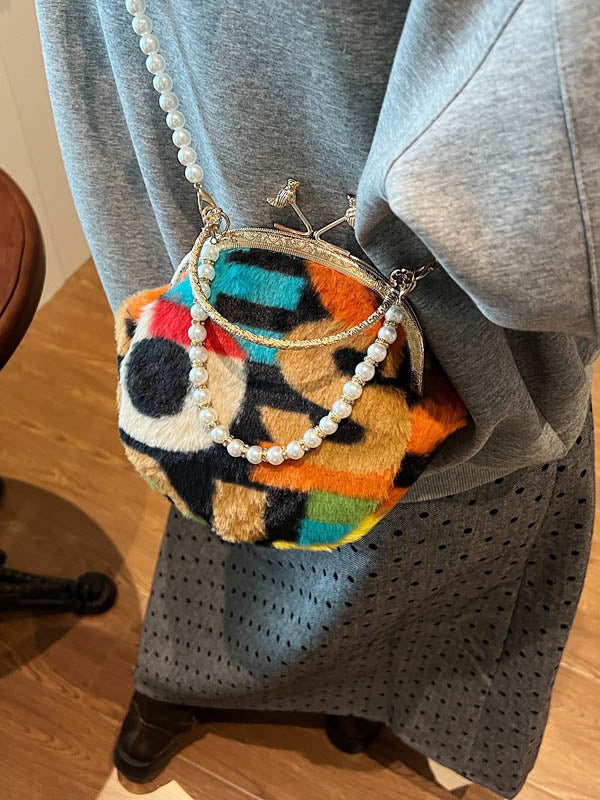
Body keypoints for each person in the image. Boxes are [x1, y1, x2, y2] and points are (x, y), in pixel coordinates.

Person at [36, 1, 599, 797]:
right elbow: (545, 240)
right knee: (443, 557)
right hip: (447, 356)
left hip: (187, 284)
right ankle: (382, 709)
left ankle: (194, 692)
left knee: (223, 497)